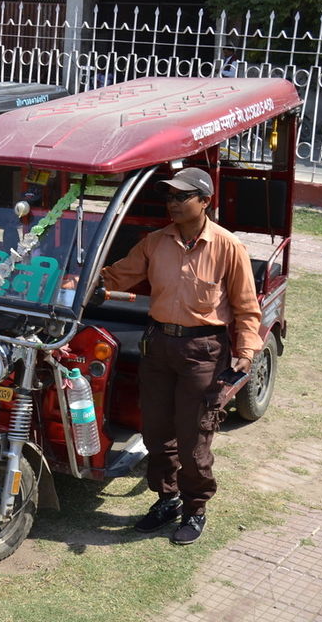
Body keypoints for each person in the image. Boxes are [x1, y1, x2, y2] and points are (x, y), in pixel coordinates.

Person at [100, 167, 261, 545]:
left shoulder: (228, 246)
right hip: (158, 346)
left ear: (204, 201)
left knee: (193, 438)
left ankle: (195, 509)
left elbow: (246, 307)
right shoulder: (155, 242)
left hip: (203, 352)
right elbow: (117, 276)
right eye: (169, 196)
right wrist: (74, 281)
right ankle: (167, 499)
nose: (172, 203)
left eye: (181, 196)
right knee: (156, 432)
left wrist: (246, 351)